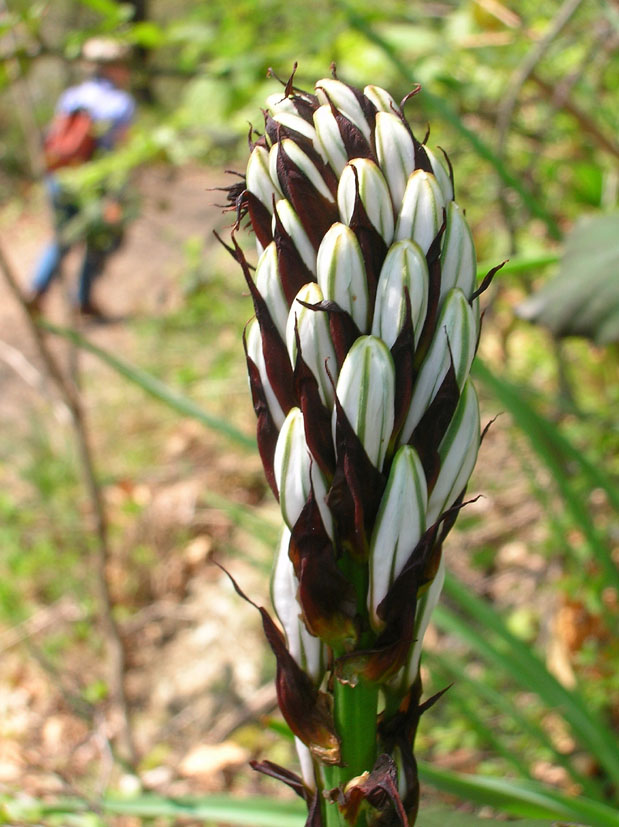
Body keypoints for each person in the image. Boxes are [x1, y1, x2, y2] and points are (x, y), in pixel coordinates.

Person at [27, 38, 135, 317]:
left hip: (59, 178)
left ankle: (37, 291)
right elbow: (119, 156)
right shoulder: (121, 103)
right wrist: (115, 195)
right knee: (97, 240)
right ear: (113, 68)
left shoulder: (72, 96)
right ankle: (83, 301)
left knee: (62, 238)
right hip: (93, 185)